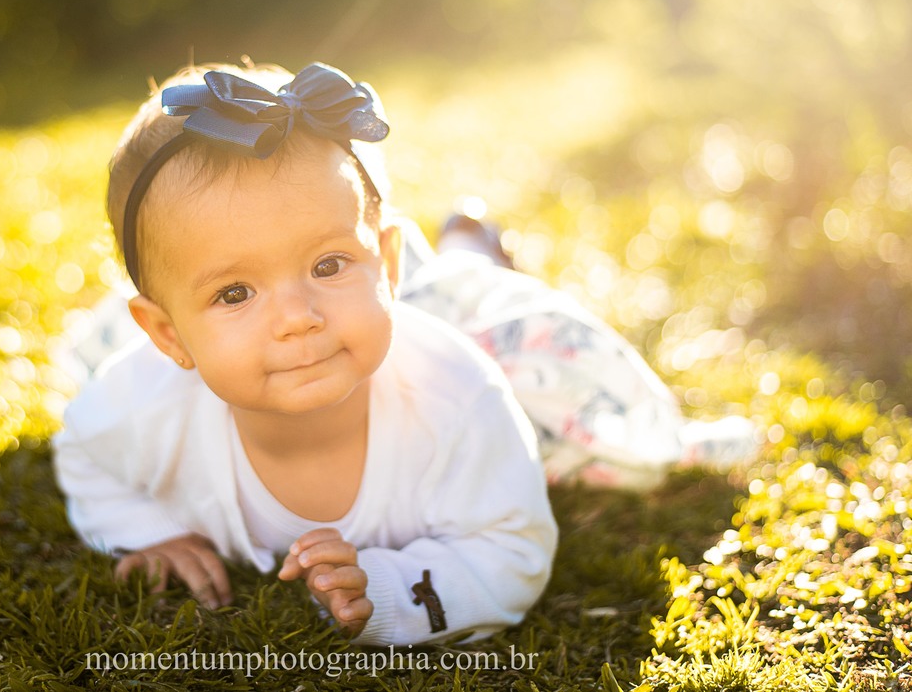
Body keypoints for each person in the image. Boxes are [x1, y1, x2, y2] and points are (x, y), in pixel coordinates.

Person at [51, 61, 753, 646]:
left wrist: (390, 593)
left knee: (474, 297)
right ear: (169, 336)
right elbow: (82, 453)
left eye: (328, 264)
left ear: (383, 264)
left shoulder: (457, 395)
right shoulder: (138, 404)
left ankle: (470, 242)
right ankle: (445, 242)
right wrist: (148, 533)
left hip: (451, 330)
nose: (297, 317)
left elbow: (511, 547)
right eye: (235, 292)